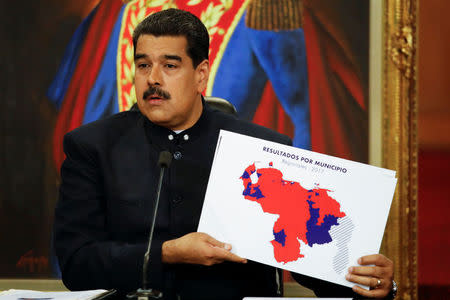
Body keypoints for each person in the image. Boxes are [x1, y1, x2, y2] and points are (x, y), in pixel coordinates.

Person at [53, 8, 395, 300]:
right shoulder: (92, 147)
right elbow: (77, 264)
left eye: (170, 66)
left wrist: (364, 281)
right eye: (143, 66)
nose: (153, 79)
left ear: (201, 75)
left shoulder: (264, 150)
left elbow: (310, 261)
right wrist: (167, 254)